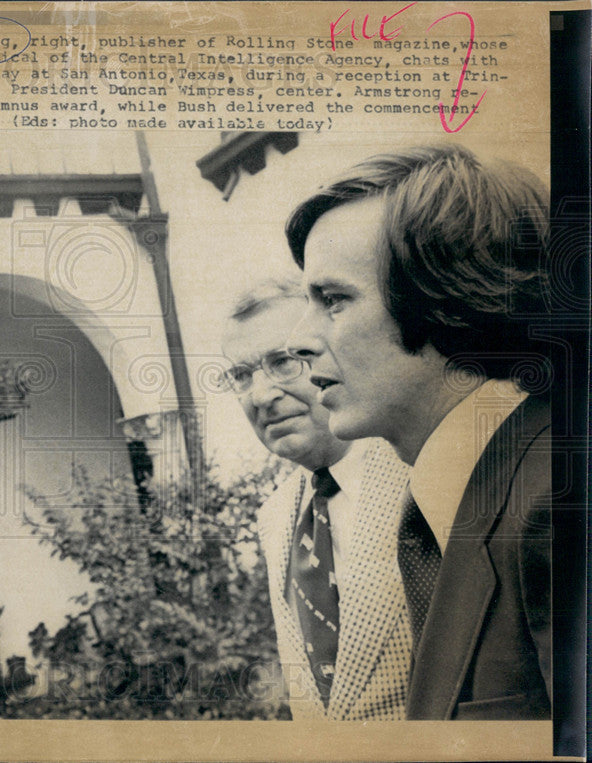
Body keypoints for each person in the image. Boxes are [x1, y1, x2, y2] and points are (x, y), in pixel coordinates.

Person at [286, 144, 556, 720]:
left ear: (445, 301)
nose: (300, 340)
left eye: (333, 300)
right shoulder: (479, 490)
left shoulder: (556, 505)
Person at [221, 276, 410, 720]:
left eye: (283, 362)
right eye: (241, 376)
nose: (261, 395)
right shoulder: (275, 515)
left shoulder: (417, 475)